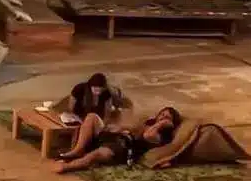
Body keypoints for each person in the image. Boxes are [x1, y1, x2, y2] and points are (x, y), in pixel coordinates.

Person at [53, 106, 182, 174]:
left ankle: (67, 166)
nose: (162, 117)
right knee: (92, 117)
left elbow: (148, 136)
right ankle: (77, 150)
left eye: (166, 117)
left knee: (96, 154)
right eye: (162, 114)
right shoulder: (148, 123)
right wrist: (120, 129)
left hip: (122, 148)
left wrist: (160, 124)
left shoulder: (162, 135)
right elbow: (134, 129)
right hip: (116, 137)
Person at [55, 73, 127, 158]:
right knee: (73, 122)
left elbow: (107, 114)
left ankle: (77, 150)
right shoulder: (80, 89)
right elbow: (71, 107)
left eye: (100, 90)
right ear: (90, 86)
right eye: (95, 90)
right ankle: (74, 148)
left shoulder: (106, 94)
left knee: (91, 116)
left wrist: (103, 125)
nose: (98, 93)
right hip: (78, 117)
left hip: (97, 120)